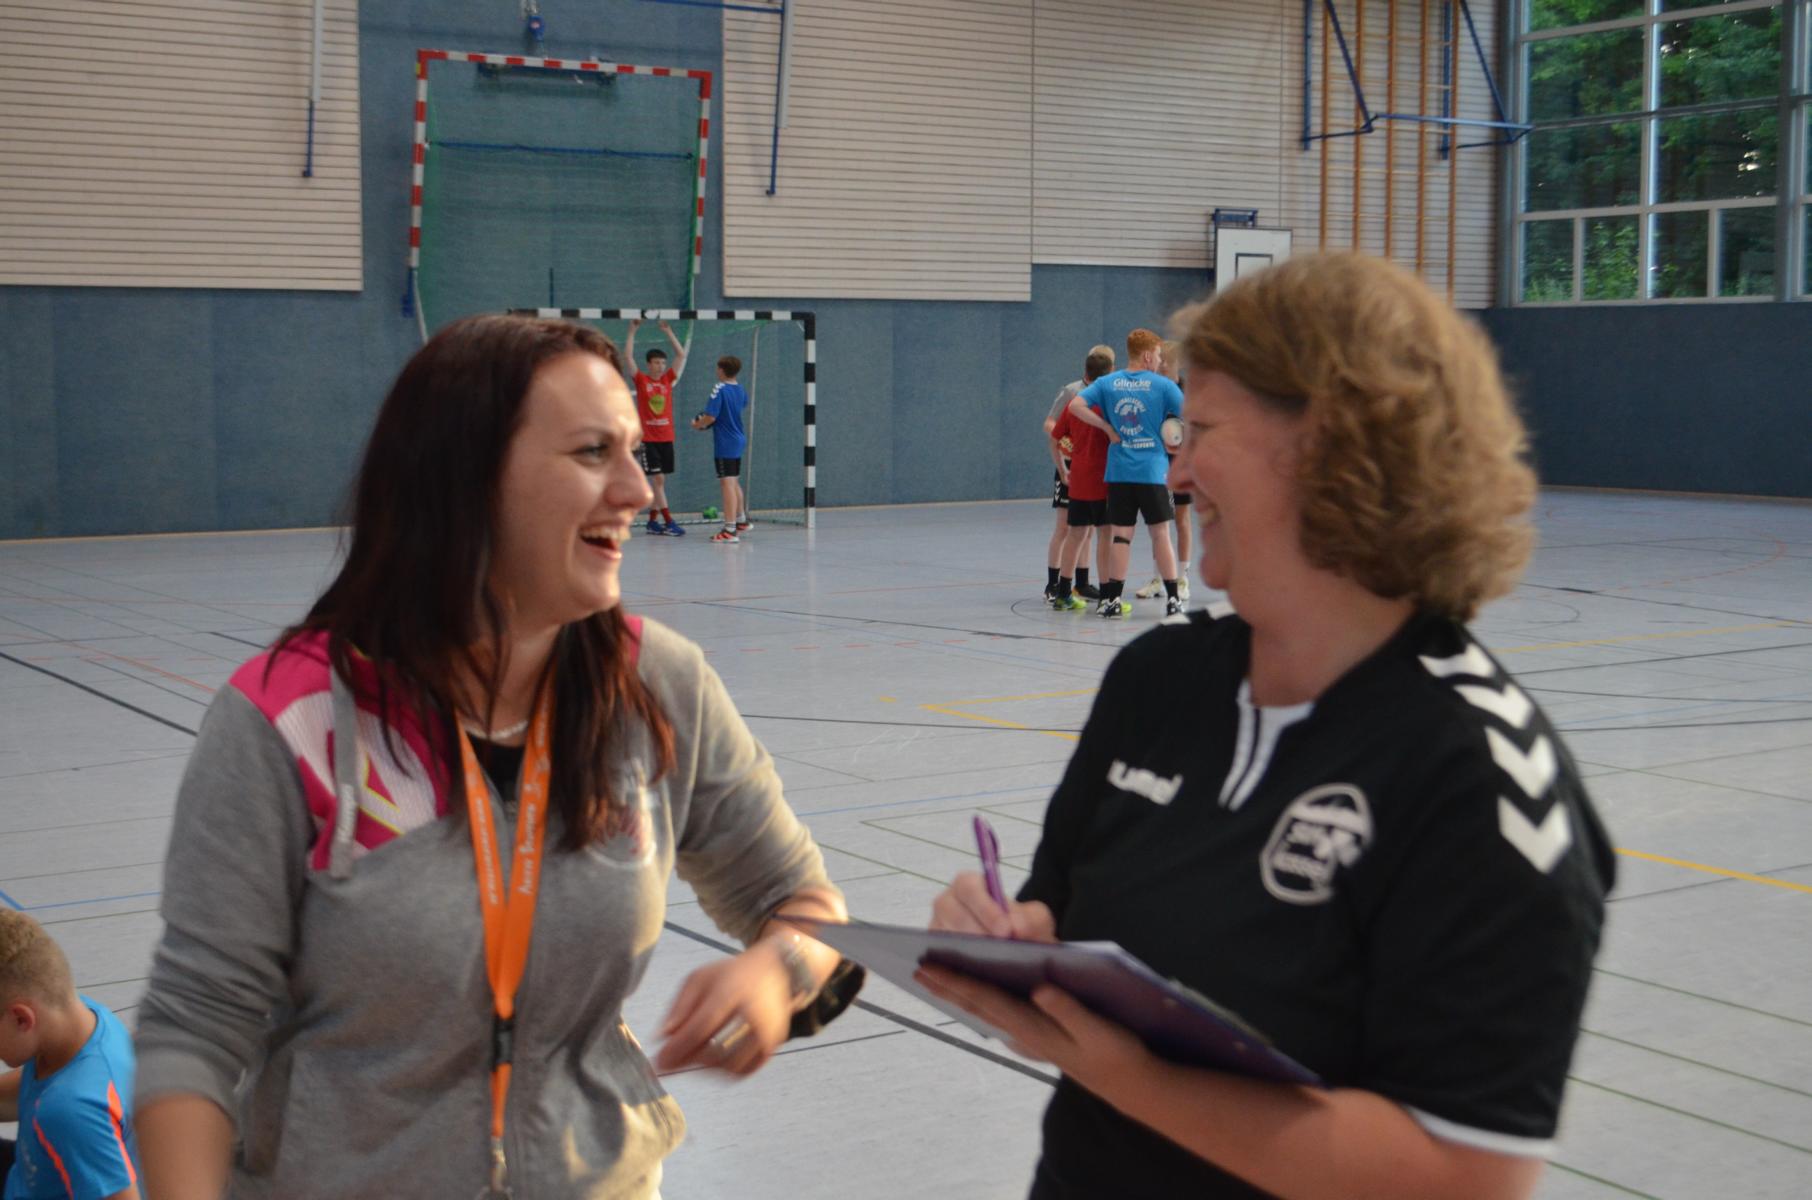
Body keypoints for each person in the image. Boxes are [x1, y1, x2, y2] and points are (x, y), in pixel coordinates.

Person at [922, 253, 1616, 1200]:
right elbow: (1061, 913)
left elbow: (1465, 1176)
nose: (1176, 466)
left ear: (1332, 445)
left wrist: (1137, 1081)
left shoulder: (1484, 777)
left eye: (1201, 430)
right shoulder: (1156, 681)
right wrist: (1009, 937)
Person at [132, 315, 862, 1200]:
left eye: (635, 454)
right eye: (593, 453)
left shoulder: (657, 686)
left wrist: (776, 972)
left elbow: (804, 906)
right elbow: (195, 1029)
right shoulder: (287, 721)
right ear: (468, 479)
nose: (637, 490)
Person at [1, 909, 141, 1200]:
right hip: (30, 1173)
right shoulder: (84, 1019)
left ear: (22, 1019)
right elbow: (31, 1091)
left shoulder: (70, 1111)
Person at [1068, 329, 1185, 618]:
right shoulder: (1163, 385)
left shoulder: (1107, 382)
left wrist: (1107, 427)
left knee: (1121, 536)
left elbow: (1075, 406)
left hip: (1120, 472)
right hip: (1152, 472)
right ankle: (1173, 599)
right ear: (1147, 356)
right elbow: (1191, 414)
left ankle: (1113, 600)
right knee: (1160, 535)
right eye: (1157, 355)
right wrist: (1176, 438)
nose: (1159, 361)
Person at [1046, 346, 1116, 612]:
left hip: (1077, 480)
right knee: (1104, 536)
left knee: (1076, 535)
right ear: (1110, 374)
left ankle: (1064, 592)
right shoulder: (1108, 407)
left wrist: (1063, 469)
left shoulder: (1075, 405)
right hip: (1104, 482)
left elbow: (1054, 438)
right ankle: (1108, 597)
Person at [1134, 341, 1191, 605]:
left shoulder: (1188, 392)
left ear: (1179, 363)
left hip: (1181, 465)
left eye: (1167, 361)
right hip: (1157, 465)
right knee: (1159, 524)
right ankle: (1159, 578)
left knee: (1181, 520)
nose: (1162, 365)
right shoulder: (1153, 390)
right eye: (1161, 360)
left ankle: (1183, 579)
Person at [626, 318, 686, 536]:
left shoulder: (667, 379)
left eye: (662, 363)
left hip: (666, 437)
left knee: (661, 480)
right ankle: (669, 522)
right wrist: (632, 331)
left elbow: (680, 355)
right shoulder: (642, 380)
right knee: (658, 479)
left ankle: (652, 521)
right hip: (648, 439)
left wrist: (668, 331)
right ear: (649, 364)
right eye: (656, 363)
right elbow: (628, 357)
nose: (660, 366)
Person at [691, 355, 752, 543]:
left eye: (718, 368)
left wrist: (697, 424)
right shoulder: (740, 390)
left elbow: (710, 416)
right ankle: (741, 521)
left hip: (726, 442)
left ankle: (729, 530)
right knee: (733, 482)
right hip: (738, 438)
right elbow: (740, 406)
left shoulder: (720, 388)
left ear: (722, 370)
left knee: (726, 484)